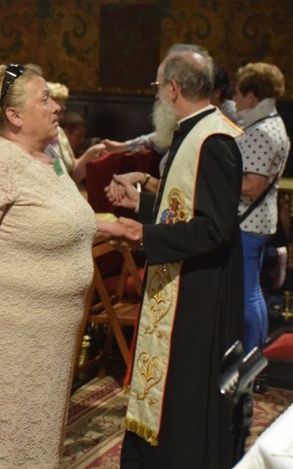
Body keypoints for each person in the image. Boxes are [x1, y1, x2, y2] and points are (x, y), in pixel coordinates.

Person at [0, 63, 96, 468]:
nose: (56, 107)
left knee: (39, 436)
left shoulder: (48, 158)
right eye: (44, 99)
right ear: (13, 115)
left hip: (52, 333)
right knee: (5, 439)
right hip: (10, 333)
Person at [100, 44, 244, 468]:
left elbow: (214, 227)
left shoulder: (214, 140)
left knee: (185, 392)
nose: (157, 95)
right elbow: (183, 208)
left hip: (198, 291)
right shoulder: (194, 131)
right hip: (181, 279)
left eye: (158, 86)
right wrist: (143, 204)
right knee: (169, 390)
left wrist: (145, 234)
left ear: (173, 88)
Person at [233, 62, 290, 352]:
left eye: (239, 94)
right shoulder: (272, 124)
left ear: (252, 95)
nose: (235, 100)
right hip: (258, 222)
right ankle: (254, 358)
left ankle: (252, 359)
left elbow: (253, 185)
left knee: (247, 296)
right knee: (251, 293)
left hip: (248, 223)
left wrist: (215, 185)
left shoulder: (261, 132)